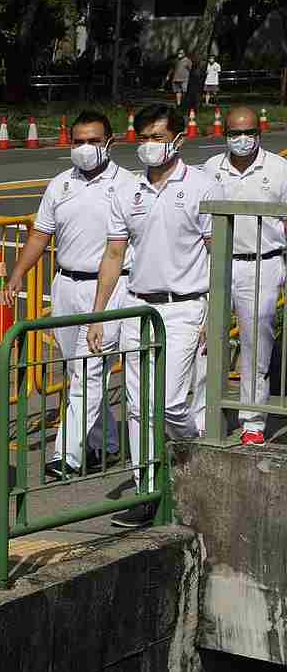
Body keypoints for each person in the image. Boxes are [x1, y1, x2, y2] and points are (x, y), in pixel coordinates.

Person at [88, 104, 221, 528]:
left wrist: (213, 316)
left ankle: (191, 450)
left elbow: (218, 252)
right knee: (138, 406)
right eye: (143, 138)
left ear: (179, 140)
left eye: (158, 137)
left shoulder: (202, 185)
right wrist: (98, 315)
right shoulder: (127, 192)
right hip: (138, 305)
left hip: (184, 306)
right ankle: (146, 488)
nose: (149, 146)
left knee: (170, 402)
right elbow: (113, 254)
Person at [6, 111, 136, 479]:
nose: (85, 148)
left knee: (87, 370)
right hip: (66, 285)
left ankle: (67, 456)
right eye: (78, 141)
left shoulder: (127, 185)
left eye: (93, 141)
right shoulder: (60, 184)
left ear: (109, 143)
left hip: (110, 287)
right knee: (77, 368)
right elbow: (40, 235)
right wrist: (19, 273)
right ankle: (107, 445)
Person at [191, 107, 287, 445]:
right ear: (224, 135)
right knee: (206, 342)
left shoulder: (279, 169)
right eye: (234, 133)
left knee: (255, 343)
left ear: (260, 133)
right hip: (216, 264)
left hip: (262, 264)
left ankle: (252, 420)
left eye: (248, 133)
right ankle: (203, 417)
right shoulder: (210, 169)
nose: (241, 139)